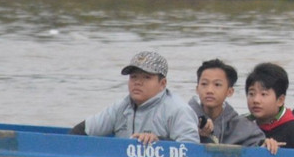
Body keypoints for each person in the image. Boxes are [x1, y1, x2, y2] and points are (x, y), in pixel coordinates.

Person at [71, 49, 200, 143]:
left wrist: (159, 141)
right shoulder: (120, 107)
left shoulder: (178, 110)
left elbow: (191, 149)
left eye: (146, 77)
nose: (138, 82)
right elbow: (82, 131)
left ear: (162, 84)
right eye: (133, 77)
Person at [188, 59, 267, 147]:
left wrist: (267, 144)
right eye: (204, 84)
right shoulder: (184, 118)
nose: (209, 90)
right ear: (197, 89)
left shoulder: (239, 125)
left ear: (230, 92)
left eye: (217, 85)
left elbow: (259, 146)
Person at [245, 62, 294, 153]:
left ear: (280, 100)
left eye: (263, 94)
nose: (256, 100)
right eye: (251, 94)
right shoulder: (242, 124)